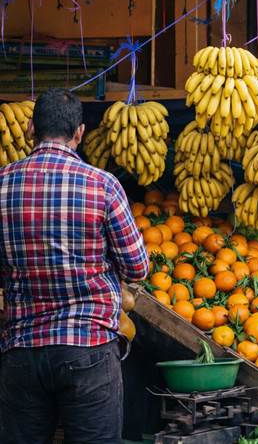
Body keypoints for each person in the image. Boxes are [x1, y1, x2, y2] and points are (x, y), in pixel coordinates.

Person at [0, 89, 149, 444]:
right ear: (80, 132)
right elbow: (137, 266)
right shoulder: (104, 185)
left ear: (32, 128)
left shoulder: (2, 183)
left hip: (22, 349)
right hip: (89, 348)